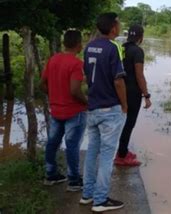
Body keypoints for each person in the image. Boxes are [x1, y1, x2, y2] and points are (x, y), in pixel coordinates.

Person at [80, 12, 128, 212]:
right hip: (109, 109)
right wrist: (124, 105)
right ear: (113, 28)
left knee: (92, 151)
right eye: (118, 24)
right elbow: (118, 80)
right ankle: (100, 200)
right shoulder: (114, 47)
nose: (119, 26)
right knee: (107, 155)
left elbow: (87, 76)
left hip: (93, 107)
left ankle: (87, 195)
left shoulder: (89, 46)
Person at [41, 30, 88, 192]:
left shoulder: (53, 60)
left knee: (52, 142)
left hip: (56, 110)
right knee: (72, 145)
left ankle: (50, 174)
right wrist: (87, 103)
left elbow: (43, 84)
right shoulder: (76, 64)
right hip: (74, 112)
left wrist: (54, 95)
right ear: (78, 44)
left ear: (64, 43)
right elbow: (75, 90)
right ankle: (74, 181)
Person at [114, 24, 152, 167]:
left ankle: (122, 150)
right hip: (132, 93)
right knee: (129, 124)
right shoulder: (138, 52)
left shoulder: (121, 47)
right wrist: (146, 95)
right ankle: (121, 156)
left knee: (121, 123)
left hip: (119, 90)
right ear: (141, 37)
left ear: (128, 35)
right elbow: (139, 75)